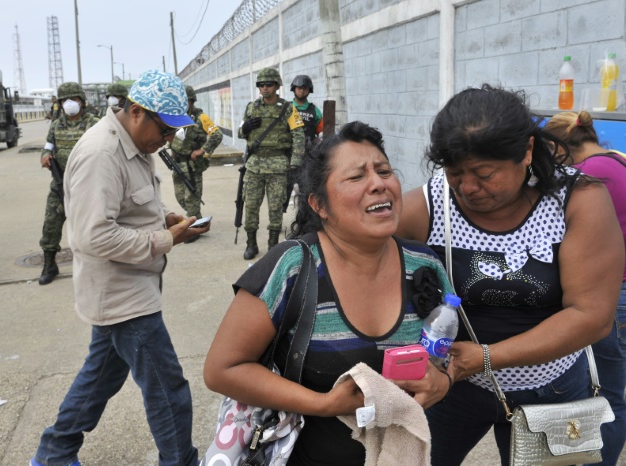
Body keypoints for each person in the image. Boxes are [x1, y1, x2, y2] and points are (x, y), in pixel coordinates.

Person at [396, 85, 624, 465]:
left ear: (527, 152)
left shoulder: (577, 201)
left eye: (485, 174)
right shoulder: (429, 206)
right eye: (455, 173)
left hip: (551, 386)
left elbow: (592, 317)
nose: (468, 188)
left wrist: (485, 357)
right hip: (454, 386)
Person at [205, 121, 454, 464]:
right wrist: (322, 404)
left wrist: (444, 379)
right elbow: (223, 369)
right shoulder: (292, 267)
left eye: (384, 171)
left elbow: (452, 347)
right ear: (319, 205)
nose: (379, 184)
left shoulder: (424, 265)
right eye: (356, 177)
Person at [30, 70, 207, 466]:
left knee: (101, 378)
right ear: (137, 112)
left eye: (175, 132)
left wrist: (165, 217)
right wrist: (166, 240)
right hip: (121, 294)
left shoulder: (134, 145)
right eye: (165, 129)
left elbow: (133, 205)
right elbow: (92, 237)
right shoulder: (101, 154)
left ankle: (54, 454)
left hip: (129, 286)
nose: (169, 139)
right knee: (168, 389)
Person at [544, 110, 626, 466]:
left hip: (609, 294)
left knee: (603, 393)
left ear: (558, 148)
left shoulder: (586, 177)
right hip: (622, 292)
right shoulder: (617, 162)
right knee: (614, 391)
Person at [238, 67, 305, 259]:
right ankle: (251, 244)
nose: (264, 88)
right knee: (250, 205)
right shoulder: (251, 107)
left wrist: (295, 163)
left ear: (276, 86)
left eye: (268, 84)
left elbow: (298, 136)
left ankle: (273, 245)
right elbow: (241, 132)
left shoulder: (287, 109)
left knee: (275, 207)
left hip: (277, 165)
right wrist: (245, 128)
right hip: (254, 164)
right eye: (261, 85)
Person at [37, 82, 100, 285]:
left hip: (89, 185)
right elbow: (48, 145)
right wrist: (45, 155)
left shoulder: (94, 123)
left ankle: (97, 264)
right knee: (51, 225)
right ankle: (49, 263)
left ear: (82, 101)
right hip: (60, 182)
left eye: (74, 99)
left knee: (93, 226)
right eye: (65, 100)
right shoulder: (56, 125)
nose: (69, 103)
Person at [167, 85, 222, 240]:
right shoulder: (175, 116)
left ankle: (194, 230)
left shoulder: (201, 117)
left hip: (192, 166)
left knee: (191, 198)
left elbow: (217, 135)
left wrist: (203, 150)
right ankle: (197, 219)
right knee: (180, 197)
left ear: (192, 101)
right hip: (177, 164)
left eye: (186, 101)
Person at [291, 74, 323, 144]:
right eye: (299, 88)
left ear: (309, 90)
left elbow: (322, 133)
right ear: (294, 89)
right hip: (288, 152)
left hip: (309, 152)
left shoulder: (315, 111)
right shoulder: (286, 107)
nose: (302, 91)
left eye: (305, 88)